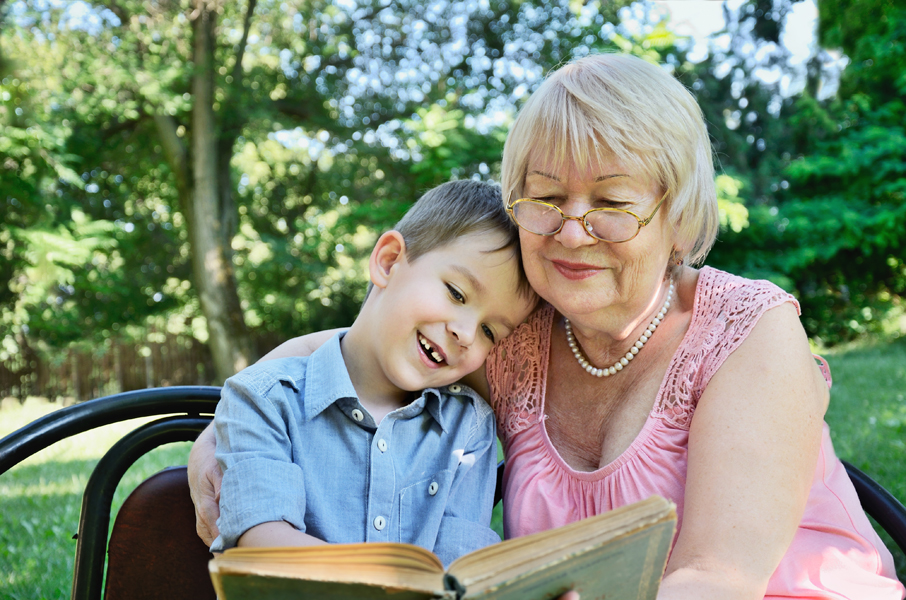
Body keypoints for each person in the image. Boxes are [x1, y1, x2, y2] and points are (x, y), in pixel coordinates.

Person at [189, 53, 906, 599]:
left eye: (612, 203)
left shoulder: (747, 330)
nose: (571, 230)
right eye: (546, 197)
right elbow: (353, 350)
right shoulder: (511, 340)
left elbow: (717, 578)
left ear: (679, 217)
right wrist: (218, 431)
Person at [207, 179, 537, 567]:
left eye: (489, 331)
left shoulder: (468, 428)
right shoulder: (266, 399)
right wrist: (393, 585)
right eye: (457, 293)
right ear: (389, 261)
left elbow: (458, 569)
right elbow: (263, 543)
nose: (465, 333)